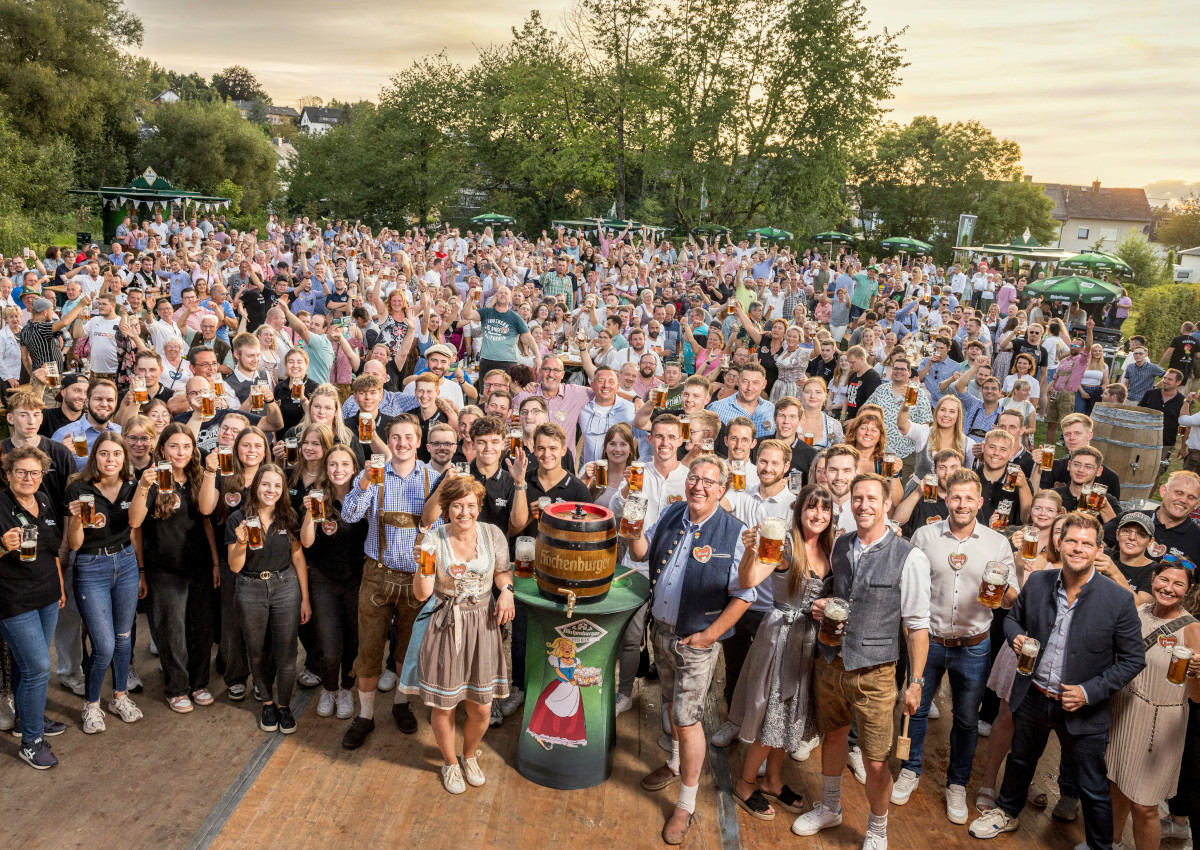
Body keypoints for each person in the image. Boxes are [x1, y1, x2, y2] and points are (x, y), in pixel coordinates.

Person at [968, 513, 1147, 848]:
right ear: (1060, 543)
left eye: (1086, 543)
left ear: (1098, 550)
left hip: (1082, 705)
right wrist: (1016, 637)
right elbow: (1012, 621)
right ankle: (1007, 812)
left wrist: (1088, 691)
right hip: (1034, 694)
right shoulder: (1038, 582)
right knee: (1021, 760)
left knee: (1091, 784)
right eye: (1072, 541)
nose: (1078, 548)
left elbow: (1135, 659)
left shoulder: (1118, 599)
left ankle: (1100, 845)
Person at [793, 473, 930, 849]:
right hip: (831, 662)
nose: (863, 505)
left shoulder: (909, 556)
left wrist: (915, 683)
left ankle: (877, 829)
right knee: (833, 736)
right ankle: (831, 807)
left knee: (874, 760)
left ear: (887, 504)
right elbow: (836, 593)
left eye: (872, 498)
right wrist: (822, 607)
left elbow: (917, 628)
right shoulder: (840, 545)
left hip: (876, 672)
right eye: (857, 498)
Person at [628, 455, 753, 846]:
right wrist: (630, 531)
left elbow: (745, 595)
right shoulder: (671, 514)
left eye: (708, 482)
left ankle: (686, 801)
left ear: (722, 489)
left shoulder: (734, 532)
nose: (698, 486)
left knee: (686, 718)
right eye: (694, 478)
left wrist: (709, 636)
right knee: (669, 702)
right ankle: (675, 762)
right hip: (662, 631)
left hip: (696, 642)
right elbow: (639, 553)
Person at [896, 469, 1017, 823]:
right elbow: (909, 586)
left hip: (975, 645)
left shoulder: (997, 542)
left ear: (980, 503)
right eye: (956, 497)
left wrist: (1003, 583)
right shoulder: (924, 535)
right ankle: (910, 771)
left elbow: (1010, 601)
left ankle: (957, 785)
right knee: (915, 709)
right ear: (946, 498)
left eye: (969, 498)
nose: (962, 504)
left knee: (966, 720)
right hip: (929, 641)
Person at [724, 483, 833, 819]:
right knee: (773, 714)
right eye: (811, 508)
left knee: (790, 716)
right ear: (798, 511)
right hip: (781, 638)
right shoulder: (784, 545)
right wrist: (748, 550)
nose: (818, 515)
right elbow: (749, 580)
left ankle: (772, 780)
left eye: (824, 509)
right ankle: (745, 783)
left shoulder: (830, 548)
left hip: (809, 641)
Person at [411, 474, 514, 794]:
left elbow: (501, 571)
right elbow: (421, 593)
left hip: (482, 623)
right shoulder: (433, 539)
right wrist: (423, 565)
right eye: (457, 505)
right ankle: (449, 763)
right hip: (446, 623)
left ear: (480, 506)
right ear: (446, 509)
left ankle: (468, 755)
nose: (465, 512)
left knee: (481, 707)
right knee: (444, 705)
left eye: (471, 505)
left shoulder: (492, 533)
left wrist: (507, 591)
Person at [339, 415, 435, 749]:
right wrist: (364, 482)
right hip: (377, 574)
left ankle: (399, 703)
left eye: (409, 437)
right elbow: (349, 516)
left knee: (408, 649)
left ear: (418, 442)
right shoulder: (373, 476)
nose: (402, 443)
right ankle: (365, 716)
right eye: (396, 437)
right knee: (368, 648)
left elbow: (442, 530)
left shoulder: (433, 478)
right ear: (387, 441)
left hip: (416, 577)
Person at [1106, 561, 1200, 850]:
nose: (1168, 588)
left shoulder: (1193, 629)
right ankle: (1112, 843)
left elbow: (1197, 697)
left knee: (1145, 805)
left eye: (1178, 584)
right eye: (1164, 580)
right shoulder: (1138, 612)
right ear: (1153, 578)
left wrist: (1197, 673)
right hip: (1124, 709)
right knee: (1117, 786)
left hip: (1160, 721)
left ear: (1188, 590)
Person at [128, 423, 217, 713]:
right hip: (164, 568)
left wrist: (216, 562)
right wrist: (143, 485)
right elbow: (135, 524)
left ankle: (199, 683)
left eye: (187, 446)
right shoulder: (153, 479)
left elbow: (206, 515)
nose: (181, 452)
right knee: (172, 631)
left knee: (201, 628)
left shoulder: (197, 476)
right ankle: (177, 687)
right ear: (162, 449)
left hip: (199, 565)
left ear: (194, 449)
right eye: (174, 446)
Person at [65, 431, 143, 733]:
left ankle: (119, 696)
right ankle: (92, 704)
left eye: (116, 454)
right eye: (104, 453)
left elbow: (135, 527)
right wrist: (74, 519)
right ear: (94, 455)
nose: (110, 460)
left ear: (124, 458)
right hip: (91, 565)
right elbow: (74, 544)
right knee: (104, 644)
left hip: (124, 562)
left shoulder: (132, 487)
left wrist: (141, 570)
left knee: (124, 638)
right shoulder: (79, 489)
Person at [226, 464, 311, 734]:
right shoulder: (237, 518)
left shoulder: (289, 516)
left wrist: (305, 598)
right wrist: (240, 543)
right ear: (255, 487)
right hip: (249, 586)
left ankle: (284, 706)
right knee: (257, 650)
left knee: (287, 650)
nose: (270, 490)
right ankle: (267, 701)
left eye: (276, 485)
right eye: (265, 484)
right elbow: (235, 567)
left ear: (283, 489)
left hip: (285, 586)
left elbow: (298, 556)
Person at [0, 446, 67, 768]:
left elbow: (53, 549)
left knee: (27, 667)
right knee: (38, 667)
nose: (28, 478)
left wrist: (60, 586)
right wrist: (2, 546)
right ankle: (31, 741)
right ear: (9, 474)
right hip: (14, 599)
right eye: (21, 472)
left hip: (47, 595)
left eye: (34, 473)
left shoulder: (42, 500)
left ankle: (28, 718)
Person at [299, 444, 369, 720]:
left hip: (357, 578)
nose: (338, 470)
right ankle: (329, 688)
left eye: (344, 464)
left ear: (354, 469)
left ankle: (346, 690)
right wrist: (308, 514)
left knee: (353, 642)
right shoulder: (318, 497)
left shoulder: (364, 497)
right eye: (332, 465)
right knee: (329, 646)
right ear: (326, 469)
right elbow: (306, 542)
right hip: (323, 578)